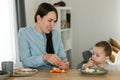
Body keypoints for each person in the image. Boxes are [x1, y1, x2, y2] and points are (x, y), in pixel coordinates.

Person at [18, 2, 69, 69]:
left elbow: (63, 58)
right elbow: (25, 62)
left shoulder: (55, 34)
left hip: (54, 76)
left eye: (54, 21)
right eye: (49, 20)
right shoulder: (24, 33)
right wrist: (44, 57)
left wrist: (65, 64)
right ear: (39, 18)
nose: (53, 25)